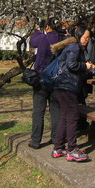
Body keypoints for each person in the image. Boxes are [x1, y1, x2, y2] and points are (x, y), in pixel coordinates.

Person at [51, 24, 95, 162]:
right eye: (85, 37)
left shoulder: (71, 46)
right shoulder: (75, 47)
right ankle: (72, 149)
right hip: (67, 86)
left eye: (88, 39)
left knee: (64, 116)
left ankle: (58, 147)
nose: (86, 40)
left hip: (61, 86)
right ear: (79, 35)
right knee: (73, 116)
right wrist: (85, 66)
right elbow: (71, 65)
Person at [28, 17, 62, 149]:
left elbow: (32, 42)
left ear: (47, 27)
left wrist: (37, 30)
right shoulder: (62, 39)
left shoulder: (43, 38)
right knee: (56, 111)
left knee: (38, 111)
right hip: (57, 79)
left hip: (42, 79)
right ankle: (56, 138)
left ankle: (35, 141)